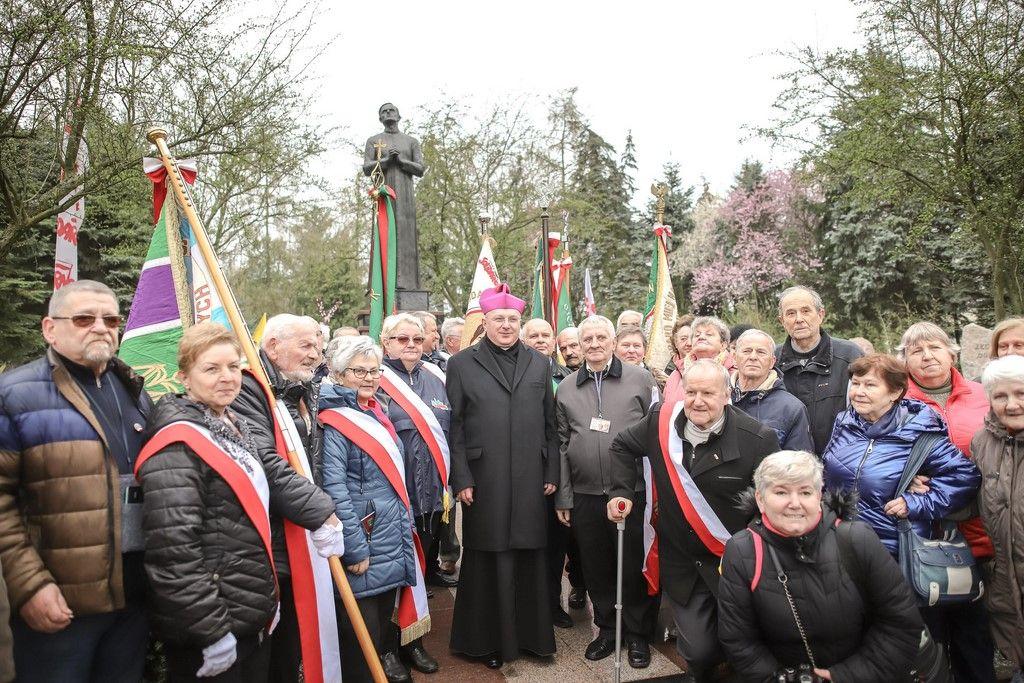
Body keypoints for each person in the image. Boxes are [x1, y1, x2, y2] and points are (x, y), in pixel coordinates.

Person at [137, 322, 342, 682]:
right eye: (211, 369)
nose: (227, 377)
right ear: (184, 378)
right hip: (212, 622)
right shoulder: (177, 445)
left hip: (247, 613)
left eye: (233, 366)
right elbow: (174, 551)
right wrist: (209, 629)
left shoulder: (231, 425)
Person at [0, 280, 153, 681]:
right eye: (84, 318)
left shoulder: (134, 389)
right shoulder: (14, 394)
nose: (100, 327)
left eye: (110, 318)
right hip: (61, 607)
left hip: (134, 601)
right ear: (50, 328)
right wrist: (29, 586)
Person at [607, 360, 780, 682]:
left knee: (744, 646)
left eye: (708, 393)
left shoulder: (757, 439)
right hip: (682, 561)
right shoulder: (660, 422)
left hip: (734, 563)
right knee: (698, 653)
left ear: (728, 395)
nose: (698, 401)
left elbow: (771, 502)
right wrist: (622, 492)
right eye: (691, 392)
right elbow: (620, 445)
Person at [717, 451, 923, 682]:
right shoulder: (743, 550)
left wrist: (842, 677)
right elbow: (739, 639)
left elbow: (900, 624)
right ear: (761, 499)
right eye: (781, 492)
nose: (794, 503)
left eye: (805, 492)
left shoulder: (856, 539)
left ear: (819, 496)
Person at [447, 283, 559, 669]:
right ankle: (486, 642)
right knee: (489, 557)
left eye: (513, 319)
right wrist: (460, 477)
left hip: (531, 476)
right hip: (484, 478)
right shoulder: (461, 364)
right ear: (486, 322)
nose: (507, 325)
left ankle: (532, 639)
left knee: (529, 555)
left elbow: (551, 425)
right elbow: (455, 427)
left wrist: (552, 471)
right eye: (499, 319)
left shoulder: (539, 363)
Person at [555, 315, 658, 668]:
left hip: (630, 491)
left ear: (614, 341)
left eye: (601, 337)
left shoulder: (641, 379)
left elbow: (656, 434)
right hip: (585, 493)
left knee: (631, 564)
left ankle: (638, 634)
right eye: (588, 339)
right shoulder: (567, 387)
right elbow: (562, 444)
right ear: (577, 346)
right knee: (596, 566)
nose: (594, 344)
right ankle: (606, 630)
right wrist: (564, 496)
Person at [231, 313, 327, 682]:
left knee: (291, 643)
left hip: (299, 531)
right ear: (273, 346)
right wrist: (321, 510)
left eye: (317, 345)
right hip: (270, 539)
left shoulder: (304, 387)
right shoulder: (249, 389)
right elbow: (266, 462)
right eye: (305, 345)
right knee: (269, 648)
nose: (315, 353)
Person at [318, 337, 420, 683]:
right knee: (358, 637)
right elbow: (335, 489)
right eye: (358, 371)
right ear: (339, 373)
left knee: (376, 630)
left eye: (374, 370)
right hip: (365, 537)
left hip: (389, 533)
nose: (368, 377)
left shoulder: (376, 410)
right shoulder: (336, 421)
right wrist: (355, 547)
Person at [822, 353, 980, 559]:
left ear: (895, 392)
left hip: (894, 550)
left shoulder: (919, 431)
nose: (858, 392)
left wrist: (915, 503)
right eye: (855, 383)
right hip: (839, 542)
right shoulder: (844, 423)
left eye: (869, 385)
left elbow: (964, 477)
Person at [377, 314, 449, 675]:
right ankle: (388, 649)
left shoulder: (437, 379)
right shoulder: (373, 380)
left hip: (433, 498)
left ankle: (414, 642)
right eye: (401, 338)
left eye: (417, 339)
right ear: (385, 341)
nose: (410, 345)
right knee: (394, 576)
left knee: (419, 571)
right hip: (392, 500)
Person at [521, 317, 575, 628]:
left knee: (557, 546)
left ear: (554, 342)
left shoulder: (567, 377)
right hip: (527, 475)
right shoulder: (519, 375)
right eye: (534, 335)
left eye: (546, 335)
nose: (541, 340)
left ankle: (553, 604)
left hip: (561, 475)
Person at [973, 355, 1024, 681]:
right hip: (1006, 582)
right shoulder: (983, 441)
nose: (1012, 404)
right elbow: (972, 497)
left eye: (1021, 393)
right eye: (1001, 396)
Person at [775, 285, 864, 454]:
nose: (799, 319)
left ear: (820, 314)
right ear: (782, 321)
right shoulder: (772, 361)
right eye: (791, 313)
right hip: (789, 467)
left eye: (806, 311)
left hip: (841, 460)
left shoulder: (849, 355)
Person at [362, 103, 426, 291]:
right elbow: (366, 168)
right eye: (384, 111)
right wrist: (386, 161)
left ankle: (410, 285)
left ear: (399, 116)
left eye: (391, 110)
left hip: (406, 200)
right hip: (383, 197)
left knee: (407, 238)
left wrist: (401, 161)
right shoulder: (374, 140)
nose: (388, 113)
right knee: (384, 235)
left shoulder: (411, 141)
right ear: (380, 118)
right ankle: (382, 286)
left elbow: (420, 169)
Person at [731, 329, 814, 452]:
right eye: (747, 351)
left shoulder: (792, 408)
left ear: (772, 362)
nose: (753, 357)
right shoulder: (718, 397)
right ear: (734, 358)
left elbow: (799, 465)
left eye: (761, 352)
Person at [664, 315, 734, 404]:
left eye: (709, 334)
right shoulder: (675, 375)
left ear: (723, 345)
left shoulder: (734, 376)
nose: (701, 337)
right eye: (697, 335)